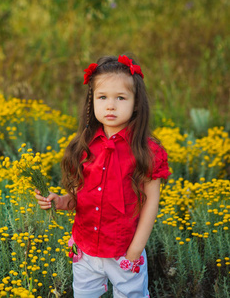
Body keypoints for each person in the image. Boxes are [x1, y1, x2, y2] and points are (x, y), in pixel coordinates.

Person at [35, 55, 170, 298]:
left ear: (136, 103)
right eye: (102, 97)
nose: (110, 105)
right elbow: (83, 195)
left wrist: (134, 251)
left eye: (120, 98)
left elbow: (151, 202)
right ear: (92, 101)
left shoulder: (147, 151)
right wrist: (61, 201)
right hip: (85, 249)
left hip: (124, 250)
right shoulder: (84, 145)